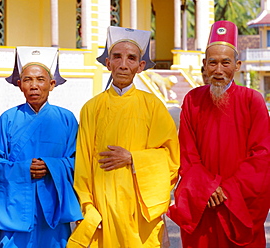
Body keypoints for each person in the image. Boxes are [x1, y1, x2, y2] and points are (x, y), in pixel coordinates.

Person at [67, 26, 180, 247]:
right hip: (103, 205)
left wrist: (134, 159)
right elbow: (82, 163)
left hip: (141, 208)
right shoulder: (92, 108)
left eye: (131, 58)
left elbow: (171, 158)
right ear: (108, 63)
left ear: (141, 66)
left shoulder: (153, 106)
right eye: (117, 57)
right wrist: (87, 205)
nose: (123, 64)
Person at [168, 20, 270, 248]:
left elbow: (262, 155)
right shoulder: (193, 100)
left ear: (238, 65)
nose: (218, 70)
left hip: (239, 203)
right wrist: (207, 188)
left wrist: (227, 189)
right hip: (203, 203)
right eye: (212, 63)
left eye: (226, 62)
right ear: (204, 65)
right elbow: (187, 153)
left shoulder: (252, 101)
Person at [0, 46, 83, 248]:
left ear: (51, 84)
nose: (34, 86)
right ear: (19, 84)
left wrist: (51, 166)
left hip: (54, 209)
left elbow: (80, 161)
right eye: (27, 80)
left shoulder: (66, 119)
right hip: (15, 209)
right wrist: (23, 169)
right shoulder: (7, 119)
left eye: (40, 80)